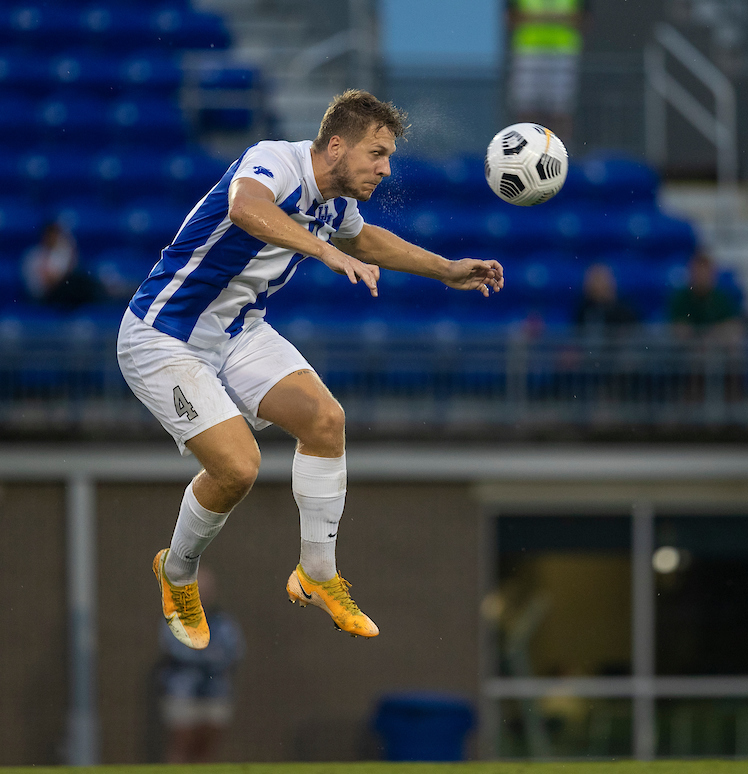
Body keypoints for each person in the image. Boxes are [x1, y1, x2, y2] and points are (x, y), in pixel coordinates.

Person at [118, 90, 504, 649]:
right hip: (163, 336)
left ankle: (316, 574)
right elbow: (244, 207)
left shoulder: (334, 201)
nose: (385, 168)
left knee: (326, 421)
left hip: (235, 330)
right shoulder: (275, 159)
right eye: (376, 153)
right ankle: (176, 573)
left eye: (389, 156)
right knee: (239, 469)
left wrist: (446, 269)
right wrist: (325, 252)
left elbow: (364, 238)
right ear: (337, 144)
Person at [157, 566, 243, 763]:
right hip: (183, 691)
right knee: (181, 742)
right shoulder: (175, 618)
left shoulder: (223, 622)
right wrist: (207, 657)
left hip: (215, 691)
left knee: (208, 747)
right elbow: (174, 650)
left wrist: (203, 656)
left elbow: (234, 652)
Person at [507, 0, 588, 146]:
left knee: (561, 110)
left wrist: (535, 18)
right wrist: (558, 18)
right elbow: (511, 18)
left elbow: (583, 18)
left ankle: (562, 150)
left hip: (563, 52)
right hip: (528, 52)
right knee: (527, 109)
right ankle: (525, 148)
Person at [21, 221, 104, 309]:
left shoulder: (60, 253)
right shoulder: (32, 256)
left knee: (81, 280)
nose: (53, 238)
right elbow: (45, 284)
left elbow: (69, 271)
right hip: (43, 298)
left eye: (56, 235)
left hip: (63, 294)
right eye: (51, 235)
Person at [668, 252, 743, 344]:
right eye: (698, 272)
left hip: (715, 344)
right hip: (690, 347)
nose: (701, 276)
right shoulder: (681, 297)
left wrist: (711, 335)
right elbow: (679, 327)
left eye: (705, 272)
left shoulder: (721, 297)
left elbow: (731, 324)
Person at [574, 262, 639, 337]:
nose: (594, 285)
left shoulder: (626, 311)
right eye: (591, 280)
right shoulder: (582, 310)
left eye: (599, 279)